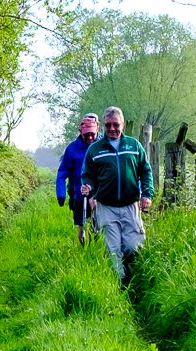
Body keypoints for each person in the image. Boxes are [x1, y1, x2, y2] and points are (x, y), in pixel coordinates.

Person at [79, 106, 153, 287]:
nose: (112, 129)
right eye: (108, 125)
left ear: (123, 125)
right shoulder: (95, 150)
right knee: (112, 250)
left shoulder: (134, 146)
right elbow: (87, 174)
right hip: (106, 207)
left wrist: (147, 194)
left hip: (131, 205)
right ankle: (119, 287)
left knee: (132, 246)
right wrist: (88, 188)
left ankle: (132, 279)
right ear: (103, 126)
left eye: (116, 125)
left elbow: (145, 171)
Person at [56, 114, 100, 246]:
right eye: (86, 135)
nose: (90, 138)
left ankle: (95, 248)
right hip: (79, 194)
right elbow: (62, 173)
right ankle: (83, 249)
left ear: (98, 130)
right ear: (80, 132)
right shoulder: (72, 149)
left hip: (99, 195)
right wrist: (61, 194)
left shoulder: (104, 145)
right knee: (82, 227)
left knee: (96, 226)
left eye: (92, 134)